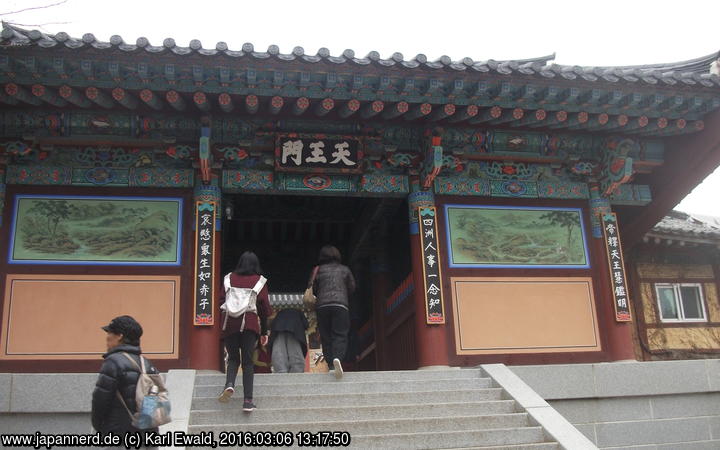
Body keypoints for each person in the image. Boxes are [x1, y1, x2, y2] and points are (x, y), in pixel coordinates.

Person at [218, 251, 272, 412]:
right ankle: (248, 401)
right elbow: (264, 309)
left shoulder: (228, 278)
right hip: (249, 324)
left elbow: (221, 300)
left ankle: (229, 384)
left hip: (229, 324)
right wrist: (264, 331)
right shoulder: (259, 281)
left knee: (233, 358)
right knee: (248, 362)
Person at [91, 315, 159, 442]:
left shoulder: (113, 362)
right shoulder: (148, 364)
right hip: (148, 435)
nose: (107, 337)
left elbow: (100, 399)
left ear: (120, 336)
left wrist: (100, 427)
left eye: (109, 332)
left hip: (120, 434)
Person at [313, 245, 355, 379]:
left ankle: (331, 365)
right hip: (340, 305)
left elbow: (313, 288)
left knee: (326, 336)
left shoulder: (318, 270)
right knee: (340, 334)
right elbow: (352, 287)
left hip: (322, 306)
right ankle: (337, 359)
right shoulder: (344, 270)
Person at [269, 307, 309, 373]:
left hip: (277, 327)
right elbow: (306, 324)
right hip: (294, 328)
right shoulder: (299, 312)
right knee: (295, 352)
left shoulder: (280, 313)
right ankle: (296, 372)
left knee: (279, 351)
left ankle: (281, 370)